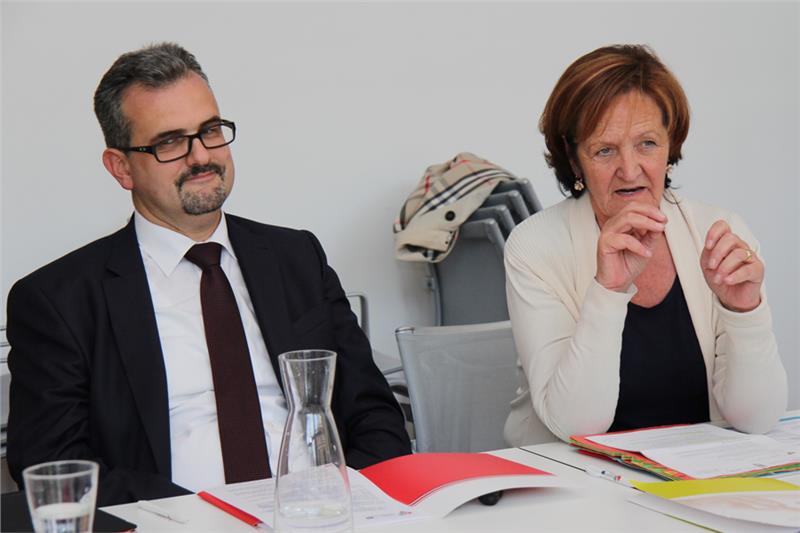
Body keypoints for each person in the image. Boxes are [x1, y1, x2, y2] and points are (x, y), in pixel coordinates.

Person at [6, 43, 411, 505]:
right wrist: (192, 516)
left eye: (210, 131)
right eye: (169, 142)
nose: (200, 156)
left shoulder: (297, 257)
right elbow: (51, 465)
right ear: (121, 167)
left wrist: (355, 501)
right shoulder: (58, 300)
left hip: (324, 512)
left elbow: (374, 414)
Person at [504, 44, 787, 445]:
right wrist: (608, 290)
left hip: (693, 473)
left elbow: (757, 418)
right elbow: (576, 426)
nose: (629, 169)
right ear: (574, 158)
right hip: (573, 476)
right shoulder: (534, 246)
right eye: (604, 150)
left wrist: (744, 312)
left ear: (671, 146)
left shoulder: (719, 232)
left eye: (647, 144)